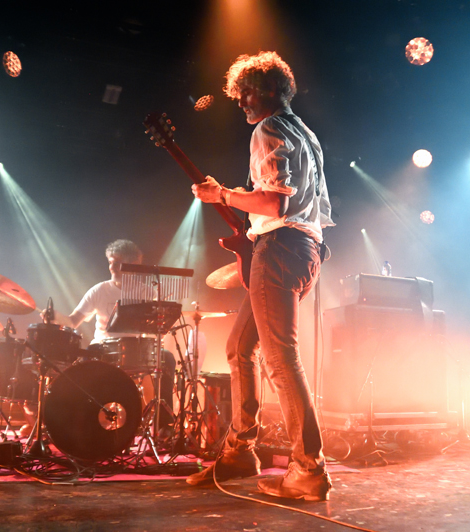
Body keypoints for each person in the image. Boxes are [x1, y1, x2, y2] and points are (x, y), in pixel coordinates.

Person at [187, 51, 334, 501]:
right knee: (238, 348)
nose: (241, 102)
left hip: (281, 248)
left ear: (270, 88)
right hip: (303, 250)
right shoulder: (305, 133)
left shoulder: (267, 129)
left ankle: (309, 469)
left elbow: (274, 205)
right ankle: (239, 452)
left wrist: (224, 195)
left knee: (281, 359)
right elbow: (303, 205)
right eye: (238, 95)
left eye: (246, 92)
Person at [69, 239, 176, 429]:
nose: (112, 267)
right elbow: (73, 321)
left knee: (166, 358)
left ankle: (163, 425)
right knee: (83, 365)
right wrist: (54, 319)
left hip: (136, 349)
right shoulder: (99, 290)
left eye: (117, 263)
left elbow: (154, 327)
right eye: (110, 262)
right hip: (103, 347)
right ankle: (84, 421)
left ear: (132, 265)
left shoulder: (145, 291)